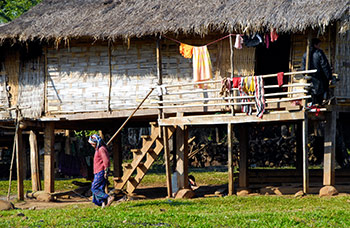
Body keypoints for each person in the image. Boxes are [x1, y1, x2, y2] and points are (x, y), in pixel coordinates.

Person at [302, 38, 333, 105]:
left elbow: (303, 68)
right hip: (319, 78)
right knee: (321, 91)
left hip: (310, 79)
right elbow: (324, 65)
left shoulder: (305, 54)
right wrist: (329, 76)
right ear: (315, 45)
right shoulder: (319, 53)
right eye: (319, 45)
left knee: (312, 93)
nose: (319, 47)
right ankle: (319, 104)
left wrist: (306, 75)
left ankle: (313, 104)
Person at [88, 134, 114, 208]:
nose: (92, 145)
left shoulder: (101, 149)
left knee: (94, 188)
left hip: (101, 171)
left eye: (92, 143)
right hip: (97, 172)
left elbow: (106, 160)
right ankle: (103, 204)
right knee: (100, 188)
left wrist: (106, 170)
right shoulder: (98, 149)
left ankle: (107, 197)